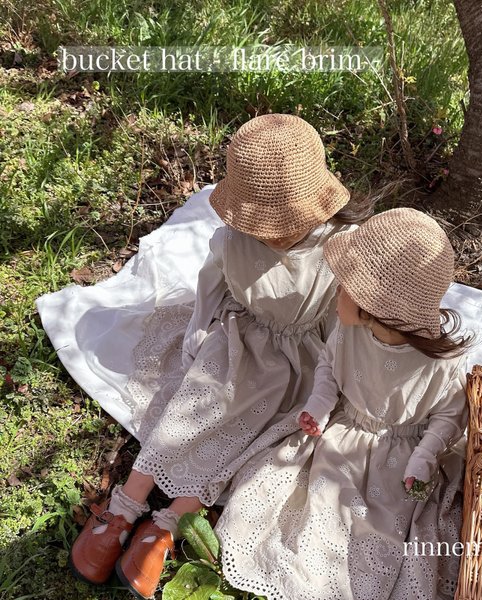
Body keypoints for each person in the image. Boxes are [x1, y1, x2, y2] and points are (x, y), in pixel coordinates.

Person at [68, 113, 373, 599]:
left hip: (302, 360)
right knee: (194, 405)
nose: (272, 234)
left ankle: (172, 519)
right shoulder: (234, 238)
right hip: (241, 337)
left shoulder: (339, 251)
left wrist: (336, 384)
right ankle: (128, 500)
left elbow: (343, 326)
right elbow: (213, 281)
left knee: (246, 431)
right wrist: (200, 323)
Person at [215, 207, 472, 600]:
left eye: (345, 287)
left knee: (378, 534)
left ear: (375, 305)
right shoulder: (348, 331)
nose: (335, 291)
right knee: (305, 508)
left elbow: (450, 414)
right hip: (344, 431)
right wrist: (320, 403)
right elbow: (329, 368)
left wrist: (424, 456)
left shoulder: (440, 364)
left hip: (401, 455)